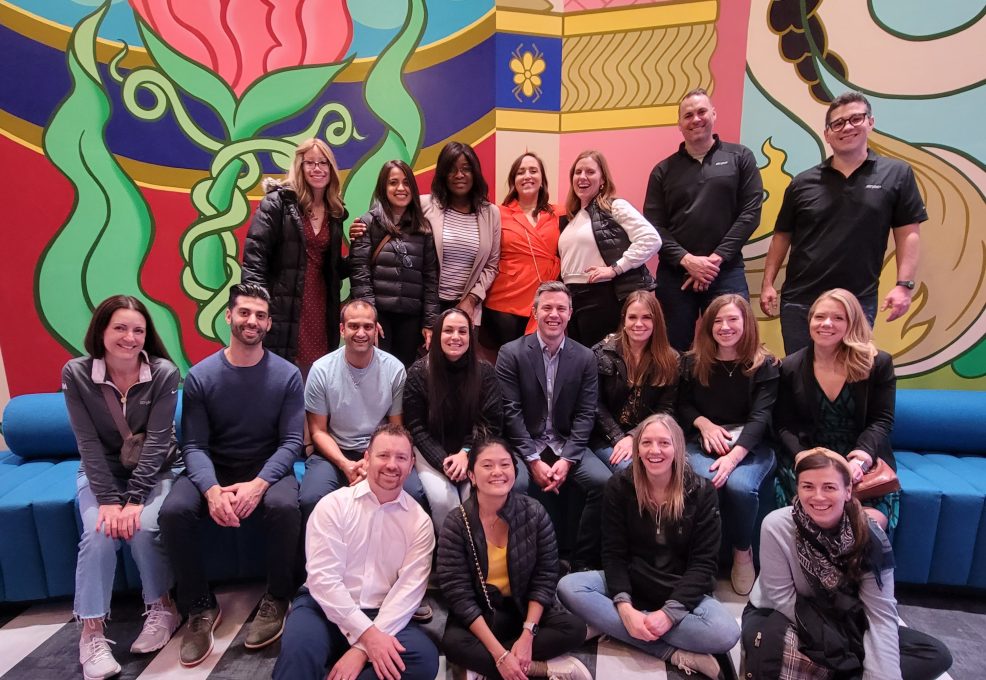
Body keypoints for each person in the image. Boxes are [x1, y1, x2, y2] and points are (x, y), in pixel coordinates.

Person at [159, 283, 304, 667]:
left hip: (266, 469)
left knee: (287, 506)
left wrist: (259, 484)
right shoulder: (202, 376)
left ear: (269, 323)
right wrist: (211, 491)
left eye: (259, 315)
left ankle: (277, 596)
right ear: (228, 316)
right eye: (244, 313)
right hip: (214, 469)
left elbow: (291, 442)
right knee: (173, 512)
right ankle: (199, 606)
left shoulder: (288, 375)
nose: (251, 321)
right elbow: (193, 446)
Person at [557, 414, 740, 680]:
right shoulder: (618, 487)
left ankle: (610, 626)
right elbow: (613, 553)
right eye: (647, 443)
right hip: (632, 580)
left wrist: (670, 613)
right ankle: (671, 652)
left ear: (678, 447)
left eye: (664, 443)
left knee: (727, 632)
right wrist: (624, 606)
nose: (655, 450)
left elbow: (703, 564)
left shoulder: (702, 491)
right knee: (568, 587)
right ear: (637, 448)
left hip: (679, 588)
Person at [745, 449, 952, 680]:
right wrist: (839, 645)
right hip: (788, 614)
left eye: (829, 487)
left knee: (935, 654)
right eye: (808, 487)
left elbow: (880, 614)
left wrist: (879, 672)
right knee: (769, 651)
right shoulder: (777, 525)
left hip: (845, 618)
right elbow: (780, 598)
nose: (818, 497)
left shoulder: (869, 536)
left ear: (847, 491)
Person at [62, 295, 181, 680]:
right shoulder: (77, 373)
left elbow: (160, 442)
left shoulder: (163, 372)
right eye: (120, 328)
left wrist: (134, 500)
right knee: (97, 534)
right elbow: (88, 444)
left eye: (138, 330)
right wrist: (111, 501)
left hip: (156, 471)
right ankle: (91, 631)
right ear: (102, 330)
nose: (129, 337)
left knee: (145, 528)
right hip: (102, 475)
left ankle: (162, 607)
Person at [759, 91, 927, 354]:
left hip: (857, 300)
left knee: (853, 376)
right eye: (838, 123)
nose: (847, 127)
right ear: (827, 134)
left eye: (855, 119)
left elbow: (908, 233)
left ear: (870, 122)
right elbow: (782, 236)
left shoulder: (897, 174)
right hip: (801, 299)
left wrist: (903, 285)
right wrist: (768, 283)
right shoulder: (802, 183)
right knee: (800, 378)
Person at [273, 424, 439, 680]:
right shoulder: (333, 505)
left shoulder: (420, 522)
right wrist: (368, 638)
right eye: (383, 455)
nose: (392, 465)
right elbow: (323, 580)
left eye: (401, 458)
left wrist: (361, 649)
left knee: (423, 659)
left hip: (381, 613)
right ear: (367, 457)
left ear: (411, 464)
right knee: (299, 652)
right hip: (323, 607)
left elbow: (409, 592)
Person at [437, 440, 591, 680]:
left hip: (523, 608)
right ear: (472, 476)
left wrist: (528, 635)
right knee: (452, 642)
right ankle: (540, 668)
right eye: (487, 465)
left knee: (574, 629)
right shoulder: (456, 523)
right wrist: (500, 654)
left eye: (505, 464)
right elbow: (459, 594)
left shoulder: (534, 513)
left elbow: (545, 576)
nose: (497, 472)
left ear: (514, 472)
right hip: (483, 611)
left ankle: (484, 668)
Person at [496, 281, 610, 569]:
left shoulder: (585, 357)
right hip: (525, 446)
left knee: (604, 483)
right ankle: (525, 563)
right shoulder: (511, 353)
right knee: (516, 483)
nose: (554, 314)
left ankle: (579, 560)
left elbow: (586, 414)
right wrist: (533, 461)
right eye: (547, 307)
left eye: (561, 308)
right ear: (534, 312)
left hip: (566, 444)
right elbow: (511, 412)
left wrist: (568, 459)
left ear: (570, 313)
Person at [643, 88, 764, 351]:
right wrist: (688, 260)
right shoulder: (663, 171)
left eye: (701, 112)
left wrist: (713, 261)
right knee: (671, 351)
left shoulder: (740, 158)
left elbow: (750, 213)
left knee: (735, 346)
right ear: (679, 124)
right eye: (688, 115)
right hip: (676, 275)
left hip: (726, 271)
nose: (696, 119)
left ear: (713, 114)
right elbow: (653, 227)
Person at [678, 294, 778, 595]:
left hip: (751, 445)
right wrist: (704, 424)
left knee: (739, 488)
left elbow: (761, 417)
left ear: (746, 323)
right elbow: (681, 406)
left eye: (733, 319)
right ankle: (702, 562)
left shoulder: (766, 365)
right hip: (704, 441)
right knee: (704, 484)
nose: (725, 327)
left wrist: (733, 458)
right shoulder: (691, 362)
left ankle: (742, 553)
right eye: (718, 321)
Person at [774, 288, 899, 531]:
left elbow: (881, 420)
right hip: (810, 454)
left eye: (838, 318)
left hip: (862, 455)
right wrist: (801, 455)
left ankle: (860, 568)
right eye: (819, 317)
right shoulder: (790, 366)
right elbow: (783, 424)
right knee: (808, 518)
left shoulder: (878, 363)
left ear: (852, 323)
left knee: (864, 527)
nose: (826, 324)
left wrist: (860, 459)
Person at [299, 299, 425, 521]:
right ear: (342, 329)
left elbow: (396, 428)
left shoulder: (394, 369)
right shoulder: (321, 370)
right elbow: (318, 431)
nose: (361, 333)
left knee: (415, 493)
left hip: (381, 451)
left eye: (368, 326)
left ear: (376, 329)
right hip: (334, 453)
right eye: (353, 326)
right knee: (311, 498)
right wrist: (345, 464)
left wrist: (373, 461)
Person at [242, 138, 350, 374]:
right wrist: (259, 307)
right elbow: (254, 260)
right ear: (299, 167)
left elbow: (330, 267)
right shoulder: (277, 203)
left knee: (317, 372)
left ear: (332, 169)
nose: (317, 168)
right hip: (284, 304)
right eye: (309, 163)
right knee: (282, 372)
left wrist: (362, 246)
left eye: (323, 163)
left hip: (321, 304)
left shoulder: (335, 211)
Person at [404, 308, 505, 530]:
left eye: (462, 331)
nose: (456, 337)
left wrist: (466, 453)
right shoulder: (418, 373)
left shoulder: (485, 372)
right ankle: (450, 556)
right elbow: (416, 427)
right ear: (438, 334)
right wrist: (444, 462)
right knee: (444, 501)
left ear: (471, 336)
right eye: (448, 330)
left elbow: (490, 423)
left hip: (474, 450)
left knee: (475, 497)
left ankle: (477, 556)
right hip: (431, 451)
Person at [559, 150, 662, 348]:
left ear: (603, 179)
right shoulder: (571, 218)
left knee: (604, 362)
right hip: (574, 299)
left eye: (590, 172)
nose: (582, 177)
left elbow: (651, 239)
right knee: (584, 363)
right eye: (577, 172)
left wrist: (615, 268)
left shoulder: (615, 207)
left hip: (603, 297)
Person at [350, 159, 439, 367]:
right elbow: (360, 274)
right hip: (379, 317)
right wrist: (369, 316)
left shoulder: (423, 228)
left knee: (404, 373)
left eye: (406, 183)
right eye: (393, 182)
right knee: (375, 371)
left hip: (411, 318)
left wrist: (430, 322)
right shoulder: (367, 223)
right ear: (383, 187)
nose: (401, 188)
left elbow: (431, 277)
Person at [592, 290, 680, 472]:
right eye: (632, 317)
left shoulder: (671, 359)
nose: (638, 324)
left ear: (656, 321)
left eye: (646, 317)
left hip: (650, 436)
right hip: (605, 436)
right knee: (632, 471)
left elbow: (666, 409)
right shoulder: (601, 353)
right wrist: (618, 437)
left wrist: (635, 437)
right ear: (624, 321)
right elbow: (595, 404)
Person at [481, 151, 562, 350]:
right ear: (513, 181)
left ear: (542, 179)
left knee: (540, 364)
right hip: (505, 303)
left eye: (533, 171)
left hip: (544, 302)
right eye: (521, 172)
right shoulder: (497, 213)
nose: (527, 176)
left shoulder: (560, 213)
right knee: (509, 363)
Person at [422, 141, 501, 323]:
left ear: (475, 173)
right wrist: (362, 225)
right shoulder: (425, 205)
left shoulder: (490, 213)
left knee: (463, 351)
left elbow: (492, 265)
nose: (459, 175)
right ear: (443, 174)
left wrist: (471, 300)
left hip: (467, 308)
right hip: (427, 306)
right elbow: (390, 212)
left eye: (466, 169)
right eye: (452, 169)